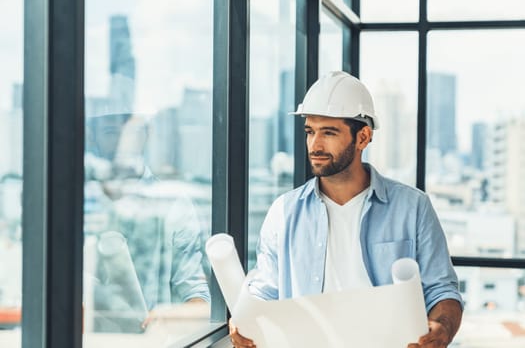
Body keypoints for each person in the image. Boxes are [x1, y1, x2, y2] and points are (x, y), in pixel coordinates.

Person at [229, 71, 463, 348]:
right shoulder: (283, 212)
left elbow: (442, 290)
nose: (315, 145)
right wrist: (246, 316)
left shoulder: (413, 208)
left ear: (362, 138)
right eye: (310, 131)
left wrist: (443, 328)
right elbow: (265, 289)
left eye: (328, 132)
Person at [85, 111, 210, 333]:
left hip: (148, 339)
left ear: (145, 136)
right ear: (93, 137)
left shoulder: (173, 205)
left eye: (128, 131)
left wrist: (170, 318)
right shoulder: (78, 200)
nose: (121, 140)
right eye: (110, 132)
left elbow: (196, 294)